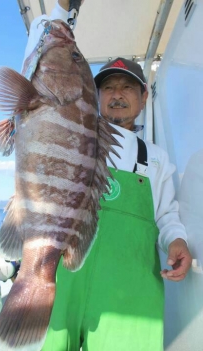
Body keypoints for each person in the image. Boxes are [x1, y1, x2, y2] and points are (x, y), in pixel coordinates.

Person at [23, 2, 192, 350]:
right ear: (95, 96)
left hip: (129, 291)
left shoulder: (156, 159)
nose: (117, 95)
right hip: (64, 276)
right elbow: (34, 69)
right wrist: (60, 11)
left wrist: (177, 241)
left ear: (144, 97)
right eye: (108, 87)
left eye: (127, 88)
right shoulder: (73, 136)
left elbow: (167, 215)